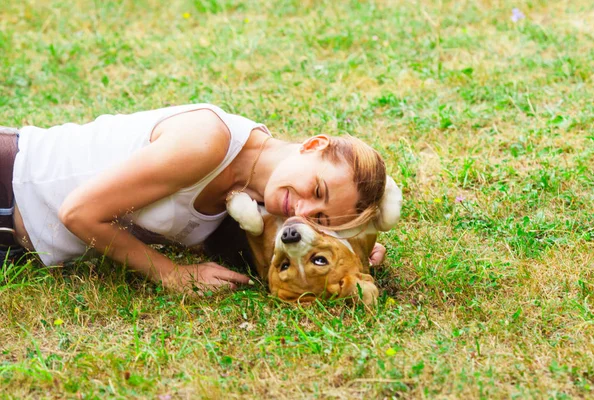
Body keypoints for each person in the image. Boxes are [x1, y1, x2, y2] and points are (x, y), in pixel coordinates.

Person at [1, 104, 388, 293]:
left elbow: (276, 265)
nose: (301, 212)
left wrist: (352, 251)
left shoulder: (256, 204)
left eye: (319, 218)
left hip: (14, 248)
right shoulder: (207, 142)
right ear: (314, 145)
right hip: (10, 181)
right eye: (317, 189)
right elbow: (79, 213)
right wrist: (171, 273)